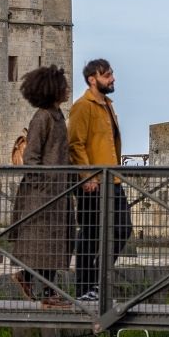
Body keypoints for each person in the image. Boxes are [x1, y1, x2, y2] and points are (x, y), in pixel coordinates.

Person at [8, 65, 75, 308]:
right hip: (43, 194)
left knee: (57, 243)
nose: (67, 90)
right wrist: (44, 182)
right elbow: (32, 156)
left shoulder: (57, 116)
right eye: (64, 86)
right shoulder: (43, 117)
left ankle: (44, 288)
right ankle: (46, 291)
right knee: (44, 244)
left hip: (59, 192)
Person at [67, 58, 132, 304]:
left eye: (112, 74)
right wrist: (88, 176)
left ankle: (95, 280)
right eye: (107, 75)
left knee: (123, 229)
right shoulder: (83, 106)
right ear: (92, 79)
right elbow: (76, 144)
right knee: (91, 234)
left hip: (112, 180)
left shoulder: (107, 105)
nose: (112, 78)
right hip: (93, 182)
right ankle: (85, 289)